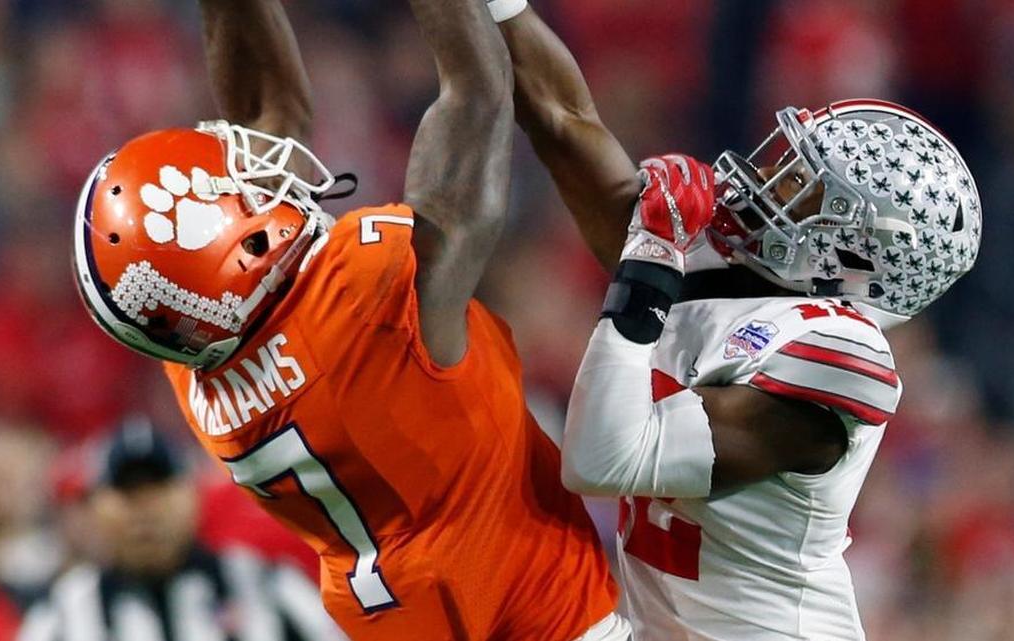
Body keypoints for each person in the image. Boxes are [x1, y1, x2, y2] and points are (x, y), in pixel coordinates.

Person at [72, 2, 623, 640]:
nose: (254, 170)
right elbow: (478, 94)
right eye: (240, 182)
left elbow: (265, 119)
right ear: (231, 241)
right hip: (563, 623)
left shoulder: (189, 358)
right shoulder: (364, 295)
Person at [489, 2, 982, 639]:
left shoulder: (835, 353)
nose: (768, 181)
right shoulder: (726, 269)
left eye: (802, 187)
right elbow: (566, 122)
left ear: (855, 258)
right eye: (787, 164)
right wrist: (500, 9)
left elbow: (603, 457)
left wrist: (650, 260)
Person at [17, 417, 346, 641]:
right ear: (96, 507)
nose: (145, 510)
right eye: (128, 493)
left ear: (192, 495)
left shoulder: (269, 585)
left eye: (159, 488)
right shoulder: (60, 614)